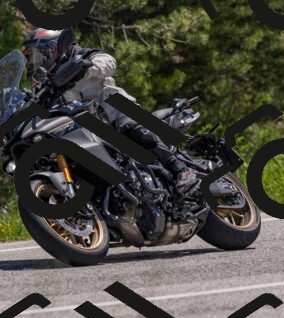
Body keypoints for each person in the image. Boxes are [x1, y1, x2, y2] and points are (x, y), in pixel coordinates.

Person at [21, 27, 198, 194]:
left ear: (51, 49)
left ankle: (180, 169)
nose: (35, 63)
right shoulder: (46, 87)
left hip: (114, 107)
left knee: (134, 129)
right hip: (88, 127)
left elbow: (109, 62)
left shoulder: (78, 55)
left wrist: (85, 68)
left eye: (37, 56)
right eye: (32, 59)